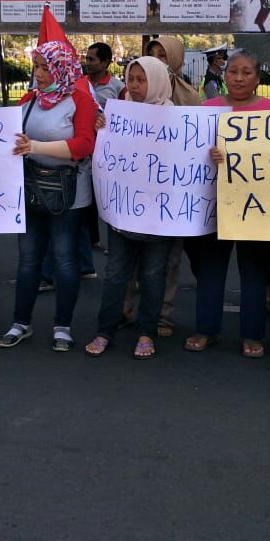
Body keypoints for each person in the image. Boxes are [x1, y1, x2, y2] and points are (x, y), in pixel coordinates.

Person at [0, 41, 97, 351]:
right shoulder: (29, 100)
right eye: (36, 66)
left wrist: (36, 148)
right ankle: (20, 323)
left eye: (45, 67)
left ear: (61, 67)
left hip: (67, 195)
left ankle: (63, 327)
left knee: (65, 260)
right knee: (28, 260)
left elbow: (84, 145)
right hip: (30, 190)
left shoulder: (80, 102)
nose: (39, 74)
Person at [191, 50, 270, 358]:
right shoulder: (207, 109)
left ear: (258, 78)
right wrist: (209, 155)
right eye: (233, 72)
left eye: (247, 72)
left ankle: (253, 334)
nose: (239, 78)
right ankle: (205, 329)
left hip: (255, 206)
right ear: (224, 75)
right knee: (211, 270)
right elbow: (190, 153)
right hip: (214, 203)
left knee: (254, 271)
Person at [85, 55, 175, 359]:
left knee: (152, 275)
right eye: (130, 79)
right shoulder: (119, 117)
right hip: (123, 214)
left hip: (159, 217)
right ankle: (104, 329)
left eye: (141, 79)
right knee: (114, 274)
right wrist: (102, 130)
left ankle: (147, 331)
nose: (134, 86)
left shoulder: (177, 119)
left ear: (158, 81)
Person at [145, 36, 202, 107]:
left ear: (176, 60)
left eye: (162, 55)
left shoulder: (191, 97)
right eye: (150, 55)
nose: (154, 60)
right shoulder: (138, 90)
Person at [83, 42, 123, 109]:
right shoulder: (79, 83)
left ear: (105, 62)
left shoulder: (119, 87)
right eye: (87, 59)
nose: (87, 63)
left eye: (91, 59)